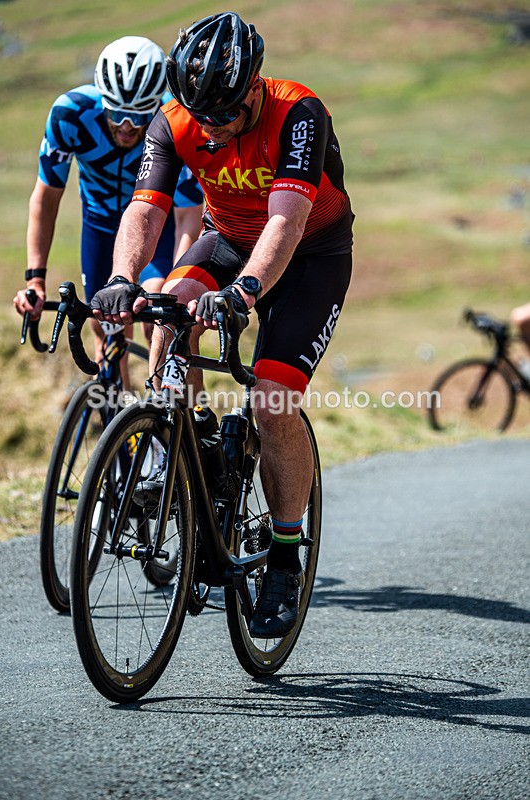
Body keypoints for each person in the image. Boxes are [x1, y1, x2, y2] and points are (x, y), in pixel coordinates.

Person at [89, 13, 354, 637]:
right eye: (199, 114)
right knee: (166, 317)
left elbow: (287, 222)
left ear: (254, 88)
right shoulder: (176, 118)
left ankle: (285, 558)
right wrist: (124, 279)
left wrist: (246, 293)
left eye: (224, 115)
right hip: (227, 241)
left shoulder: (298, 113)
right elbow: (146, 207)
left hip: (309, 259)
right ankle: (195, 445)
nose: (210, 126)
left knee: (272, 401)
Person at [13, 35, 203, 374]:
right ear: (102, 95)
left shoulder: (175, 121)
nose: (127, 127)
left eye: (139, 115)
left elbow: (190, 214)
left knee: (163, 325)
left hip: (157, 231)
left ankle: (184, 416)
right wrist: (35, 280)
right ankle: (116, 416)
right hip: (100, 226)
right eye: (117, 113)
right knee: (107, 326)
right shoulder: (71, 116)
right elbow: (46, 197)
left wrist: (179, 282)